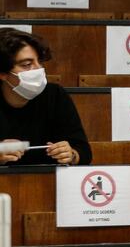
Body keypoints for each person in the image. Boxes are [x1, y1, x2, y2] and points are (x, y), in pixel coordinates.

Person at [0, 28, 92, 166]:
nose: (38, 69)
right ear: (3, 74)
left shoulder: (55, 95)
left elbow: (84, 152)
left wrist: (71, 155)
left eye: (39, 62)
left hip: (50, 183)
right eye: (27, 65)